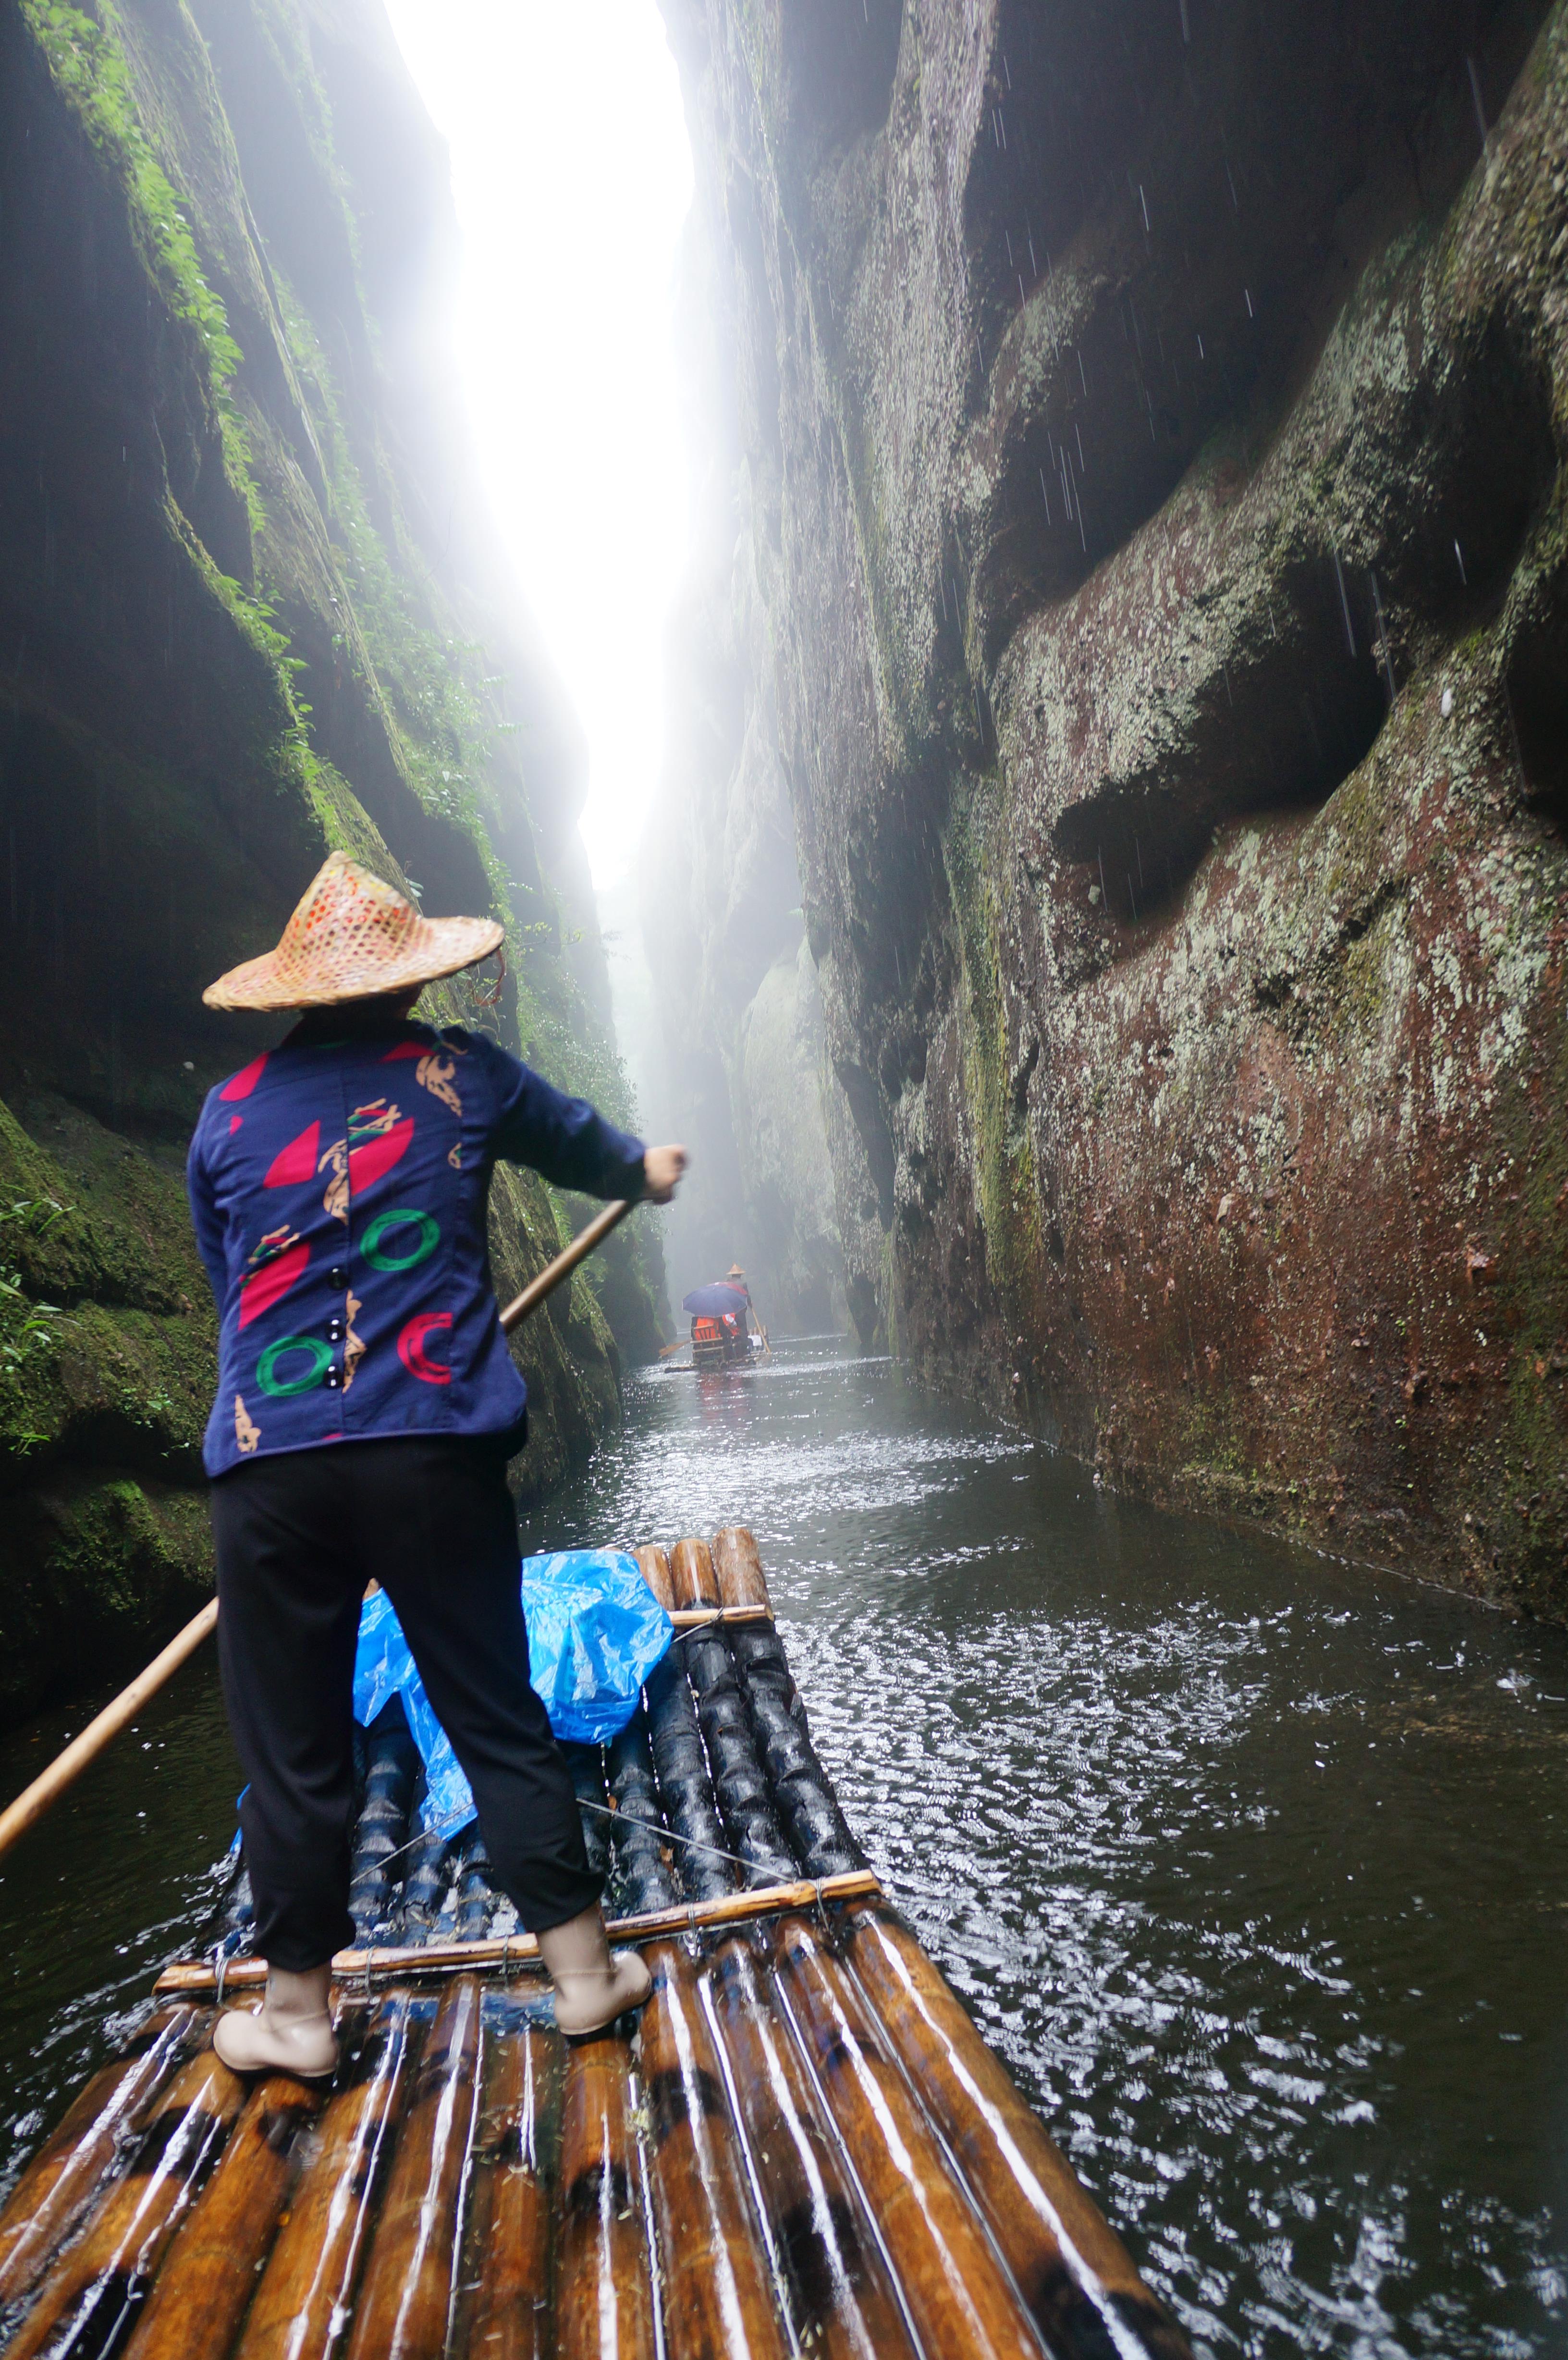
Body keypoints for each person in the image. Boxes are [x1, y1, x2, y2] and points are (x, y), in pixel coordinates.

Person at [186, 851, 687, 2077]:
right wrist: (646, 1171)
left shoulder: (230, 1113)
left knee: (293, 1747)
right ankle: (582, 1973)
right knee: (493, 1709)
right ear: (413, 983)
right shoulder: (461, 1074)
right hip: (432, 1452)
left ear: (295, 994)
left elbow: (234, 1288)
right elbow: (580, 1142)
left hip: (273, 1463)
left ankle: (296, 2015)